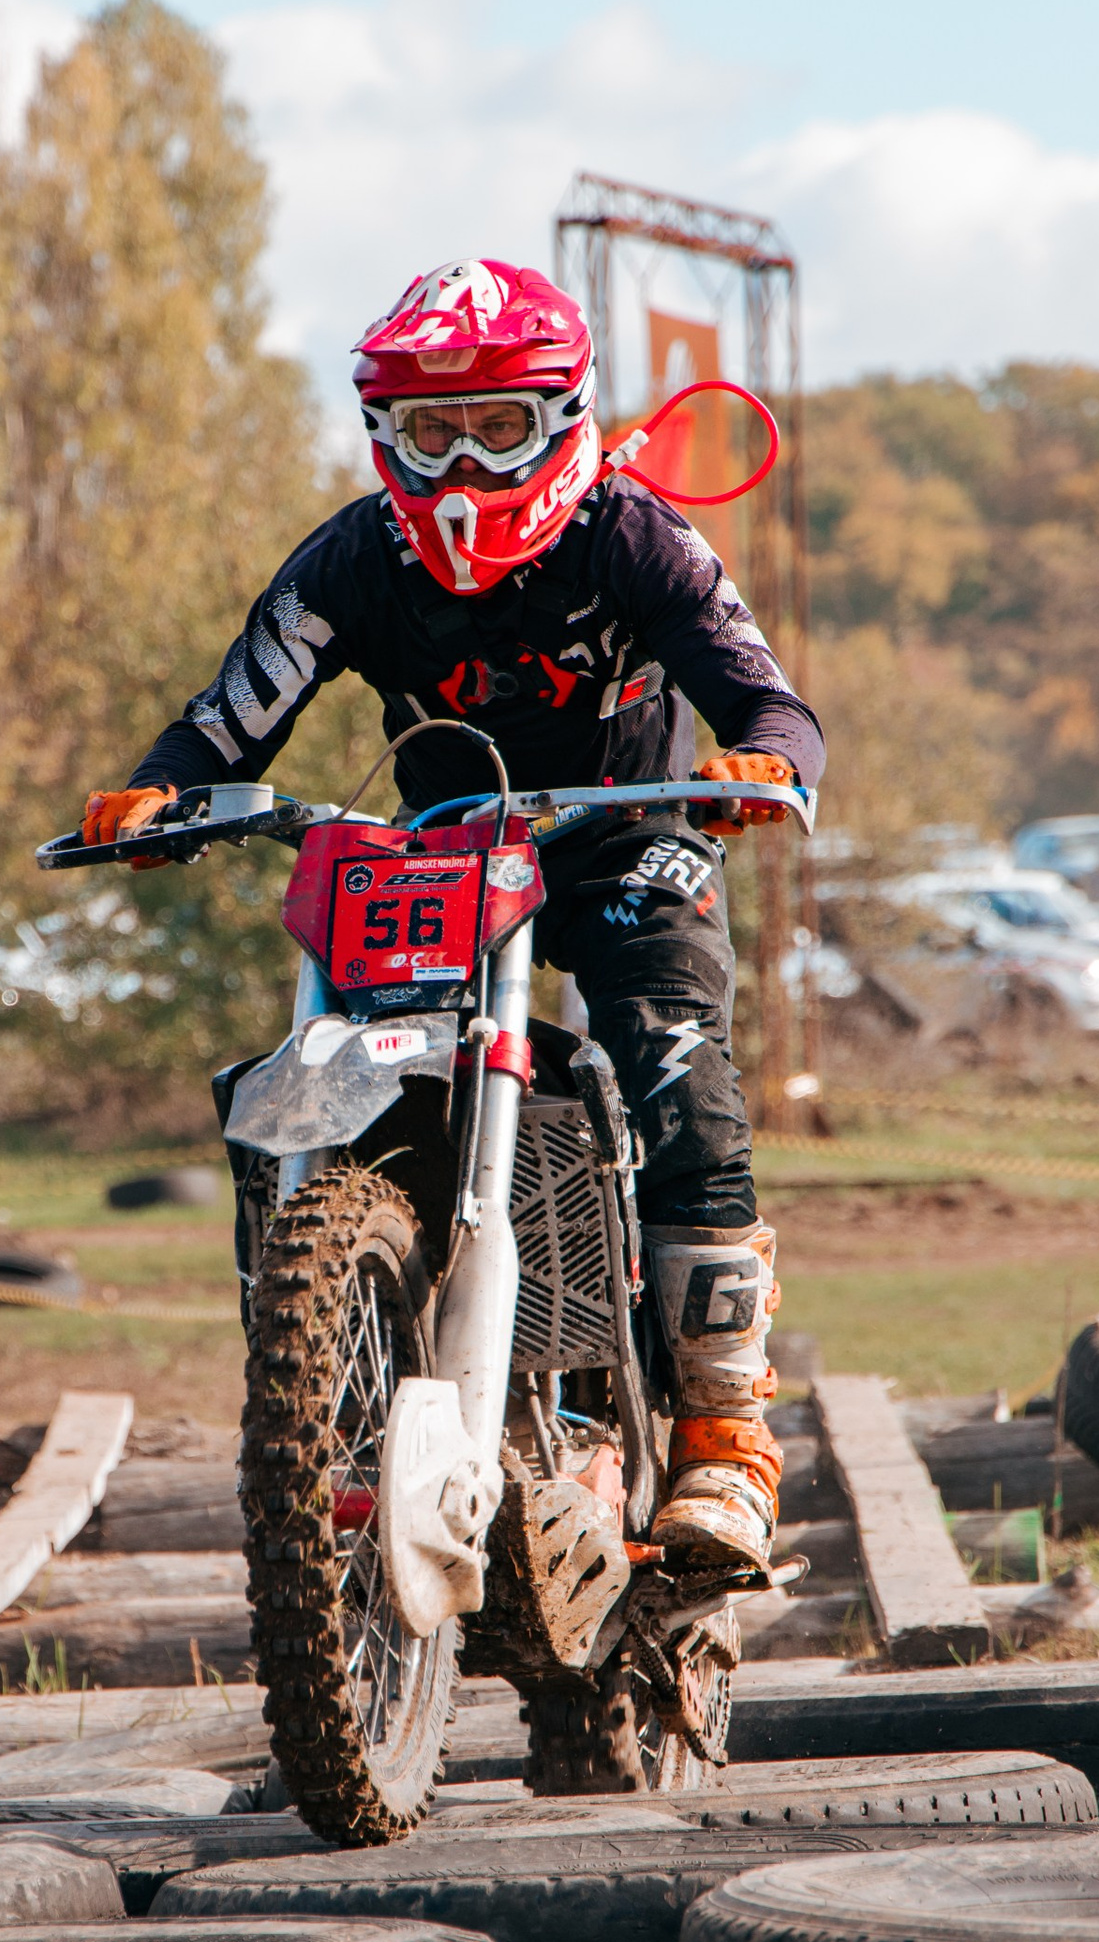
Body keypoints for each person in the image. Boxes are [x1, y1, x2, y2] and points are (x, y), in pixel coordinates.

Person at [81, 255, 824, 1574]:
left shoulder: (635, 531)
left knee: (677, 1064)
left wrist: (762, 768)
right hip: (438, 862)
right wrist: (157, 793)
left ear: (560, 418)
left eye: (496, 430)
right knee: (308, 1075)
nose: (466, 470)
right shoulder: (353, 559)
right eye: (434, 433)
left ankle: (723, 1435)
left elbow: (767, 698)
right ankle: (326, 1369)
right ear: (387, 437)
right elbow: (233, 710)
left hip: (625, 841)